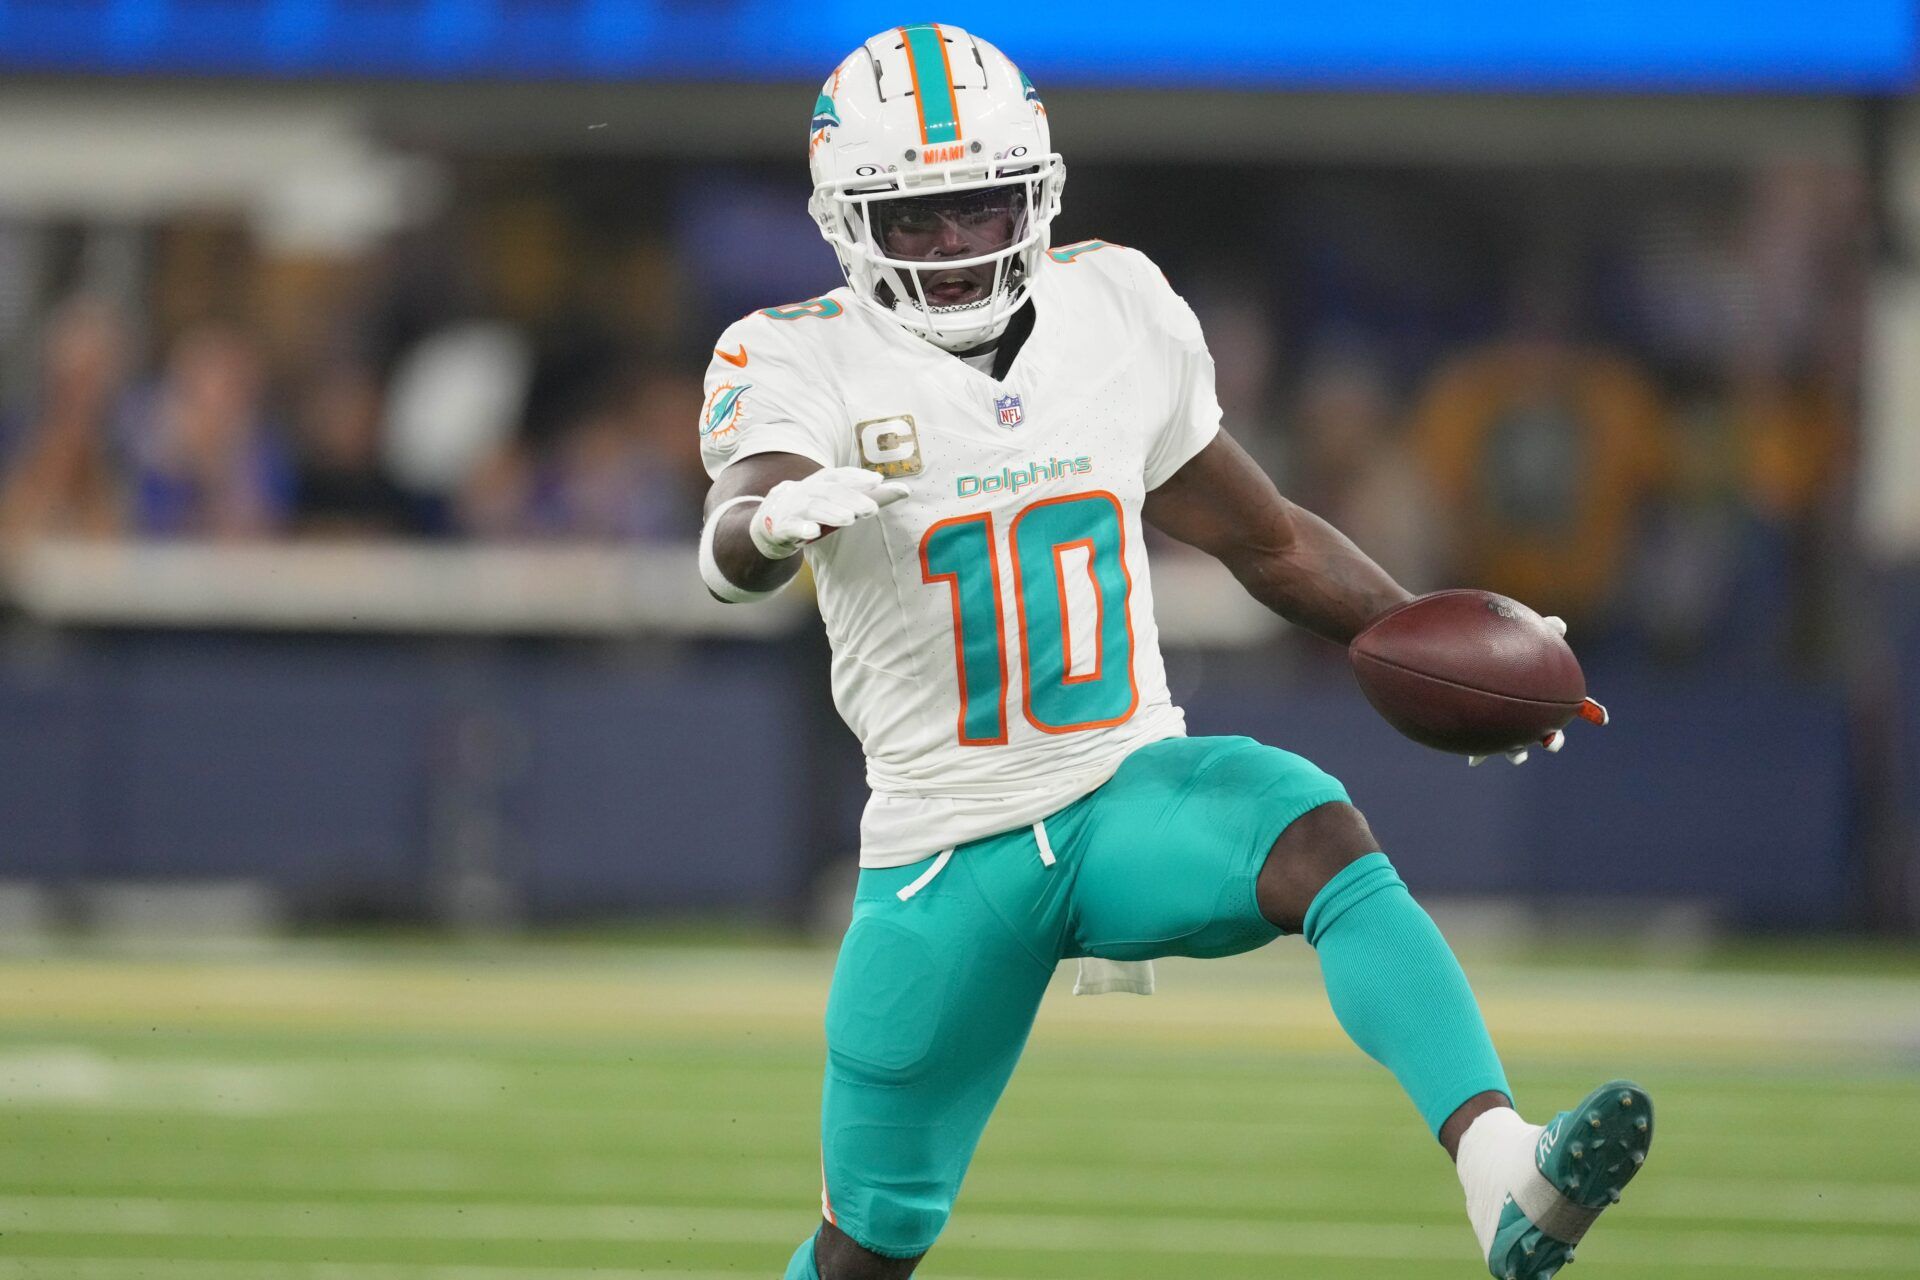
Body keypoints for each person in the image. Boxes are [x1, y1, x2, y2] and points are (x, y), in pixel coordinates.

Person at [696, 27, 1650, 1280]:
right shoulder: (794, 350)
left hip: (1120, 792)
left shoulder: (1117, 305)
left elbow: (1265, 539)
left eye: (979, 201)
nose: (954, 240)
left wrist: (1449, 644)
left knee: (1316, 832)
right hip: (944, 852)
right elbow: (733, 528)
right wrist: (765, 527)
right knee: (869, 1245)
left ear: (1035, 191)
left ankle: (1501, 1171)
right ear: (845, 220)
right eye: (915, 215)